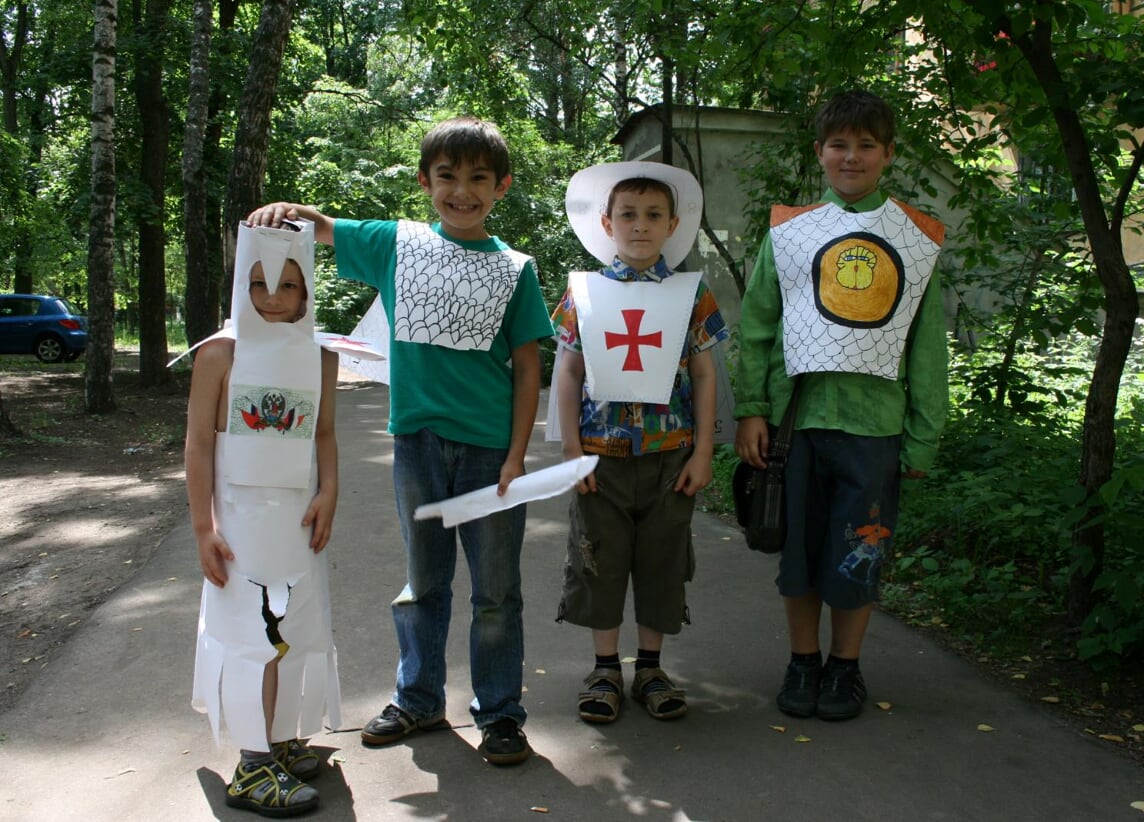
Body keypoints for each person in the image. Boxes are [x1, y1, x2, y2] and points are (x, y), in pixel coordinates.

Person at [246, 115, 553, 766]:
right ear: (425, 182)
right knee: (423, 584)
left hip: (492, 454)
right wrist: (287, 209)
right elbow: (324, 228)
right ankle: (417, 699)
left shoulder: (515, 269)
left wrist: (518, 454)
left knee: (496, 592)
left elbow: (528, 366)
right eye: (447, 177)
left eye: (478, 179)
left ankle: (500, 714)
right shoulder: (396, 244)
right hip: (416, 445)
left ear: (501, 187)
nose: (461, 191)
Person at [733, 89, 948, 722]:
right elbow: (757, 324)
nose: (850, 157)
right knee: (797, 551)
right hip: (795, 424)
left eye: (865, 145)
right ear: (820, 151)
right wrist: (753, 409)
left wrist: (924, 433)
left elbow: (926, 343)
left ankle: (845, 668)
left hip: (874, 425)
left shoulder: (914, 238)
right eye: (838, 144)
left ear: (887, 153)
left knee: (861, 548)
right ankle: (803, 660)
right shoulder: (791, 233)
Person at [551, 161, 728, 723]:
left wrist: (702, 451)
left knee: (662, 561)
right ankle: (605, 670)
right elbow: (568, 372)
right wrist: (572, 449)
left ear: (673, 224)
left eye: (654, 215)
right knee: (598, 561)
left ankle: (650, 667)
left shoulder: (690, 294)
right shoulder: (585, 292)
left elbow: (703, 375)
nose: (641, 225)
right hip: (601, 456)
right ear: (606, 224)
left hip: (669, 456)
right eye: (628, 214)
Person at [186, 220, 341, 817]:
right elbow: (199, 443)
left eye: (288, 285)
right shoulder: (219, 354)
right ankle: (252, 764)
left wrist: (330, 491)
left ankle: (281, 737)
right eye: (258, 283)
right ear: (239, 285)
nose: (273, 296)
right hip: (240, 526)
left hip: (298, 519)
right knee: (253, 630)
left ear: (307, 291)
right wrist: (205, 526)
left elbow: (323, 432)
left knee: (296, 624)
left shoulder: (321, 356)